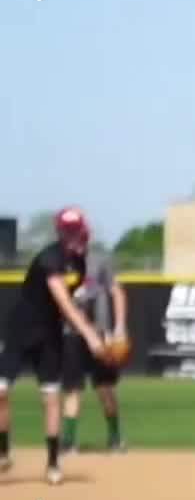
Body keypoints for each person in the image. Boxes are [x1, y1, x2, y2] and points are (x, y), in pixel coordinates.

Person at [0, 208, 107, 485]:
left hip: (49, 336)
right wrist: (90, 335)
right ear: (60, 232)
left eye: (75, 229)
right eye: (66, 229)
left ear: (83, 230)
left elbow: (69, 304)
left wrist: (89, 329)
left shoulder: (80, 263)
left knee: (51, 397)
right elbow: (63, 302)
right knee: (0, 392)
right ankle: (2, 451)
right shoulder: (49, 258)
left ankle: (53, 462)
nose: (71, 234)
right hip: (20, 330)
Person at [60, 251, 129, 454]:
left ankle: (115, 439)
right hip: (71, 333)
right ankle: (69, 441)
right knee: (73, 389)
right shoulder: (59, 262)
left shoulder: (100, 260)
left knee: (105, 387)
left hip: (100, 332)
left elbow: (117, 292)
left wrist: (119, 327)